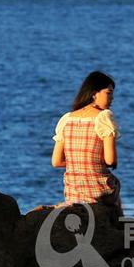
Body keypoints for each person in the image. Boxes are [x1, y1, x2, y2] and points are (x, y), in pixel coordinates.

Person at [51, 71, 121, 208]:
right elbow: (110, 160)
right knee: (115, 184)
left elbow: (56, 161)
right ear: (94, 93)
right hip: (97, 191)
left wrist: (79, 164)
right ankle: (118, 224)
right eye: (108, 93)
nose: (112, 98)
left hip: (72, 193)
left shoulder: (66, 119)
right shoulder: (103, 117)